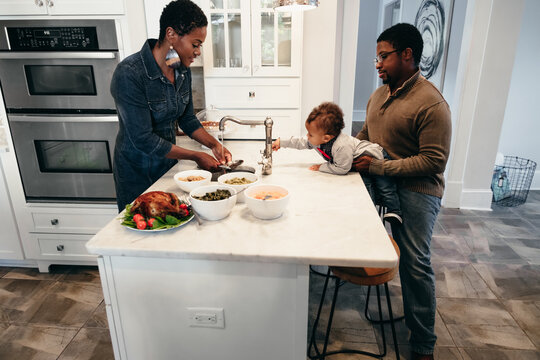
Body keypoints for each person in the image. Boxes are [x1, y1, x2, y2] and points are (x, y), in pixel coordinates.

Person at [355, 23, 452, 360]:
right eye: (377, 57)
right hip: (382, 181)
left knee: (414, 263)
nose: (378, 63)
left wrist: (379, 167)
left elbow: (433, 162)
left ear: (407, 55)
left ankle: (423, 345)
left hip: (416, 189)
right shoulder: (379, 94)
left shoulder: (431, 103)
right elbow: (366, 136)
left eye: (384, 56)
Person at [110, 0, 231, 211]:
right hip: (137, 173)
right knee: (139, 232)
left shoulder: (179, 69)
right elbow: (143, 140)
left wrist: (213, 145)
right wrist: (195, 155)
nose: (198, 52)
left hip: (167, 166)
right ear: (171, 34)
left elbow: (187, 118)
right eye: (195, 44)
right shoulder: (129, 74)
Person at [272, 102, 402, 224]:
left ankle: (394, 211)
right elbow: (300, 142)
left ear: (326, 138)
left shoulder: (341, 146)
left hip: (375, 157)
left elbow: (342, 169)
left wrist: (321, 167)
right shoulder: (318, 140)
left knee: (384, 186)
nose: (307, 136)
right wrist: (281, 142)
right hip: (358, 164)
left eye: (310, 134)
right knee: (366, 186)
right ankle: (369, 214)